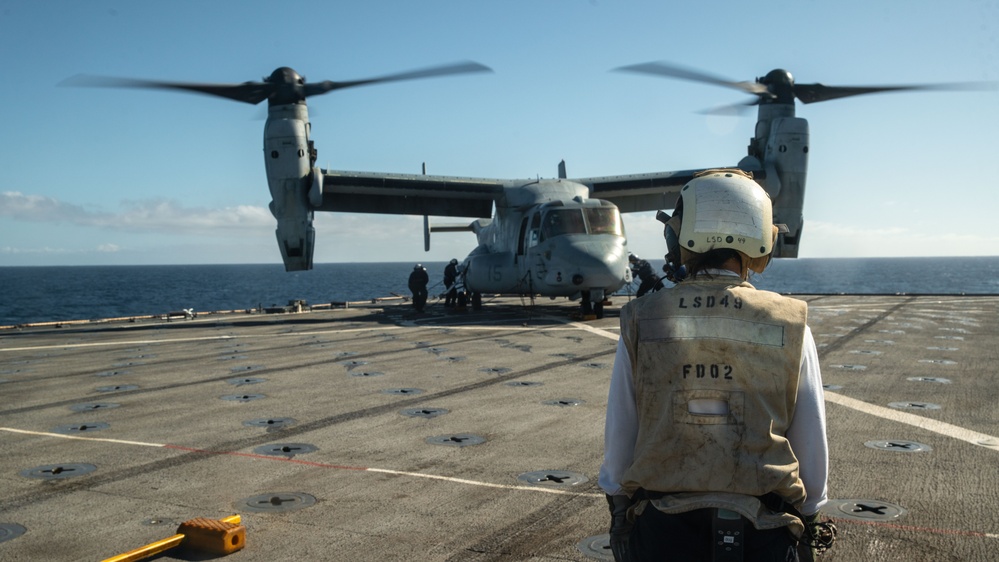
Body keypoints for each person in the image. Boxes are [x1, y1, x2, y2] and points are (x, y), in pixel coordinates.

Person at [599, 170, 834, 561]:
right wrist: (809, 515)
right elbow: (811, 440)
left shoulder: (643, 318)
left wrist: (620, 507)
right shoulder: (789, 323)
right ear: (763, 241)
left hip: (663, 531)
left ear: (677, 238)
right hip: (764, 532)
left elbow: (621, 433)